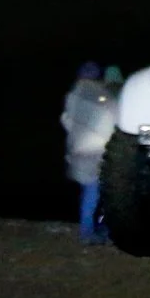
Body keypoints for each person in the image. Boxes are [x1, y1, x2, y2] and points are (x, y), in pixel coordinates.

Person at [60, 61, 119, 244]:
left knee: (89, 191)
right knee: (103, 192)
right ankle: (98, 231)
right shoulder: (102, 95)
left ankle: (88, 230)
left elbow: (66, 120)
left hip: (79, 149)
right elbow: (112, 121)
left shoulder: (72, 95)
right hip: (98, 149)